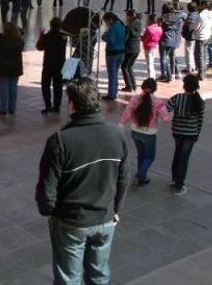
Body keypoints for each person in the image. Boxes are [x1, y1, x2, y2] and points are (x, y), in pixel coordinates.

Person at [35, 78, 129, 285]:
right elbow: (123, 179)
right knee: (99, 275)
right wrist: (115, 210)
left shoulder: (60, 140)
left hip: (71, 221)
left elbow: (47, 186)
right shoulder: (117, 135)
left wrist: (49, 211)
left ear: (73, 105)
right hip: (104, 218)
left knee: (69, 277)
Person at [120, 78, 172, 186]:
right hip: (149, 133)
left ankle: (142, 178)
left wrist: (121, 125)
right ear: (155, 89)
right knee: (149, 157)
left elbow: (127, 113)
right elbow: (166, 119)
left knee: (141, 155)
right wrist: (172, 114)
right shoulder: (158, 103)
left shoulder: (135, 99)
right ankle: (141, 174)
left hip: (135, 131)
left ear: (142, 86)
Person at [166, 74, 205, 195]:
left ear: (184, 86)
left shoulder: (177, 98)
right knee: (184, 158)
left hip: (177, 132)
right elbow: (200, 121)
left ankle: (174, 178)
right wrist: (197, 134)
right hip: (191, 134)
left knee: (177, 154)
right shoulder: (200, 102)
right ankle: (179, 185)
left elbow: (166, 109)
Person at [0, 22, 24, 115]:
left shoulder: (1, 39)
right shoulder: (19, 40)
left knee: (4, 87)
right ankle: (12, 108)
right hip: (16, 66)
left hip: (3, 66)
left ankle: (3, 109)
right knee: (13, 87)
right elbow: (22, 38)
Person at [37, 17, 67, 114]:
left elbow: (39, 47)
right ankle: (57, 106)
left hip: (48, 64)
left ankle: (48, 106)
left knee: (45, 85)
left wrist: (41, 36)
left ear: (51, 25)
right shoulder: (64, 37)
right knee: (58, 86)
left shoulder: (47, 36)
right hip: (60, 64)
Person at [101, 12, 126, 101]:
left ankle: (111, 94)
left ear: (110, 20)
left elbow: (111, 40)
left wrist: (104, 37)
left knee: (112, 75)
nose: (106, 24)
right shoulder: (122, 25)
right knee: (115, 74)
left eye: (106, 22)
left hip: (112, 53)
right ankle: (114, 92)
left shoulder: (112, 27)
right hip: (121, 51)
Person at [158, 3, 183, 83]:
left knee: (163, 58)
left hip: (164, 39)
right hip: (173, 39)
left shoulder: (162, 18)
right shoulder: (177, 17)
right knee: (170, 57)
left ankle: (165, 75)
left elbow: (159, 26)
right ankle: (171, 73)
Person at [120, 9, 141, 92]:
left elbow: (125, 38)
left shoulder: (129, 26)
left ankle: (129, 86)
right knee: (129, 67)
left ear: (129, 16)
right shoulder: (138, 22)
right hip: (136, 48)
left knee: (124, 67)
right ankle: (133, 86)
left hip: (129, 49)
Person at [195, 0, 212, 80]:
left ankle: (201, 74)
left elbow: (196, 27)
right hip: (208, 35)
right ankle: (203, 72)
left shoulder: (201, 15)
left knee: (200, 55)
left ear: (203, 6)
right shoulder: (211, 14)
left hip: (201, 36)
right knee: (204, 55)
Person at [141, 13, 162, 78]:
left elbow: (144, 39)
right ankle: (152, 75)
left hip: (148, 47)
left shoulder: (149, 29)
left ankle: (151, 77)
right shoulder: (159, 28)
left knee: (149, 63)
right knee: (151, 62)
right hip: (155, 46)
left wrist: (141, 35)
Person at [182, 2, 199, 73]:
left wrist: (184, 32)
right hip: (195, 35)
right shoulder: (197, 14)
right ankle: (193, 66)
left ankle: (189, 67)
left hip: (190, 36)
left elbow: (189, 27)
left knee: (188, 52)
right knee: (192, 51)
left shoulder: (190, 16)